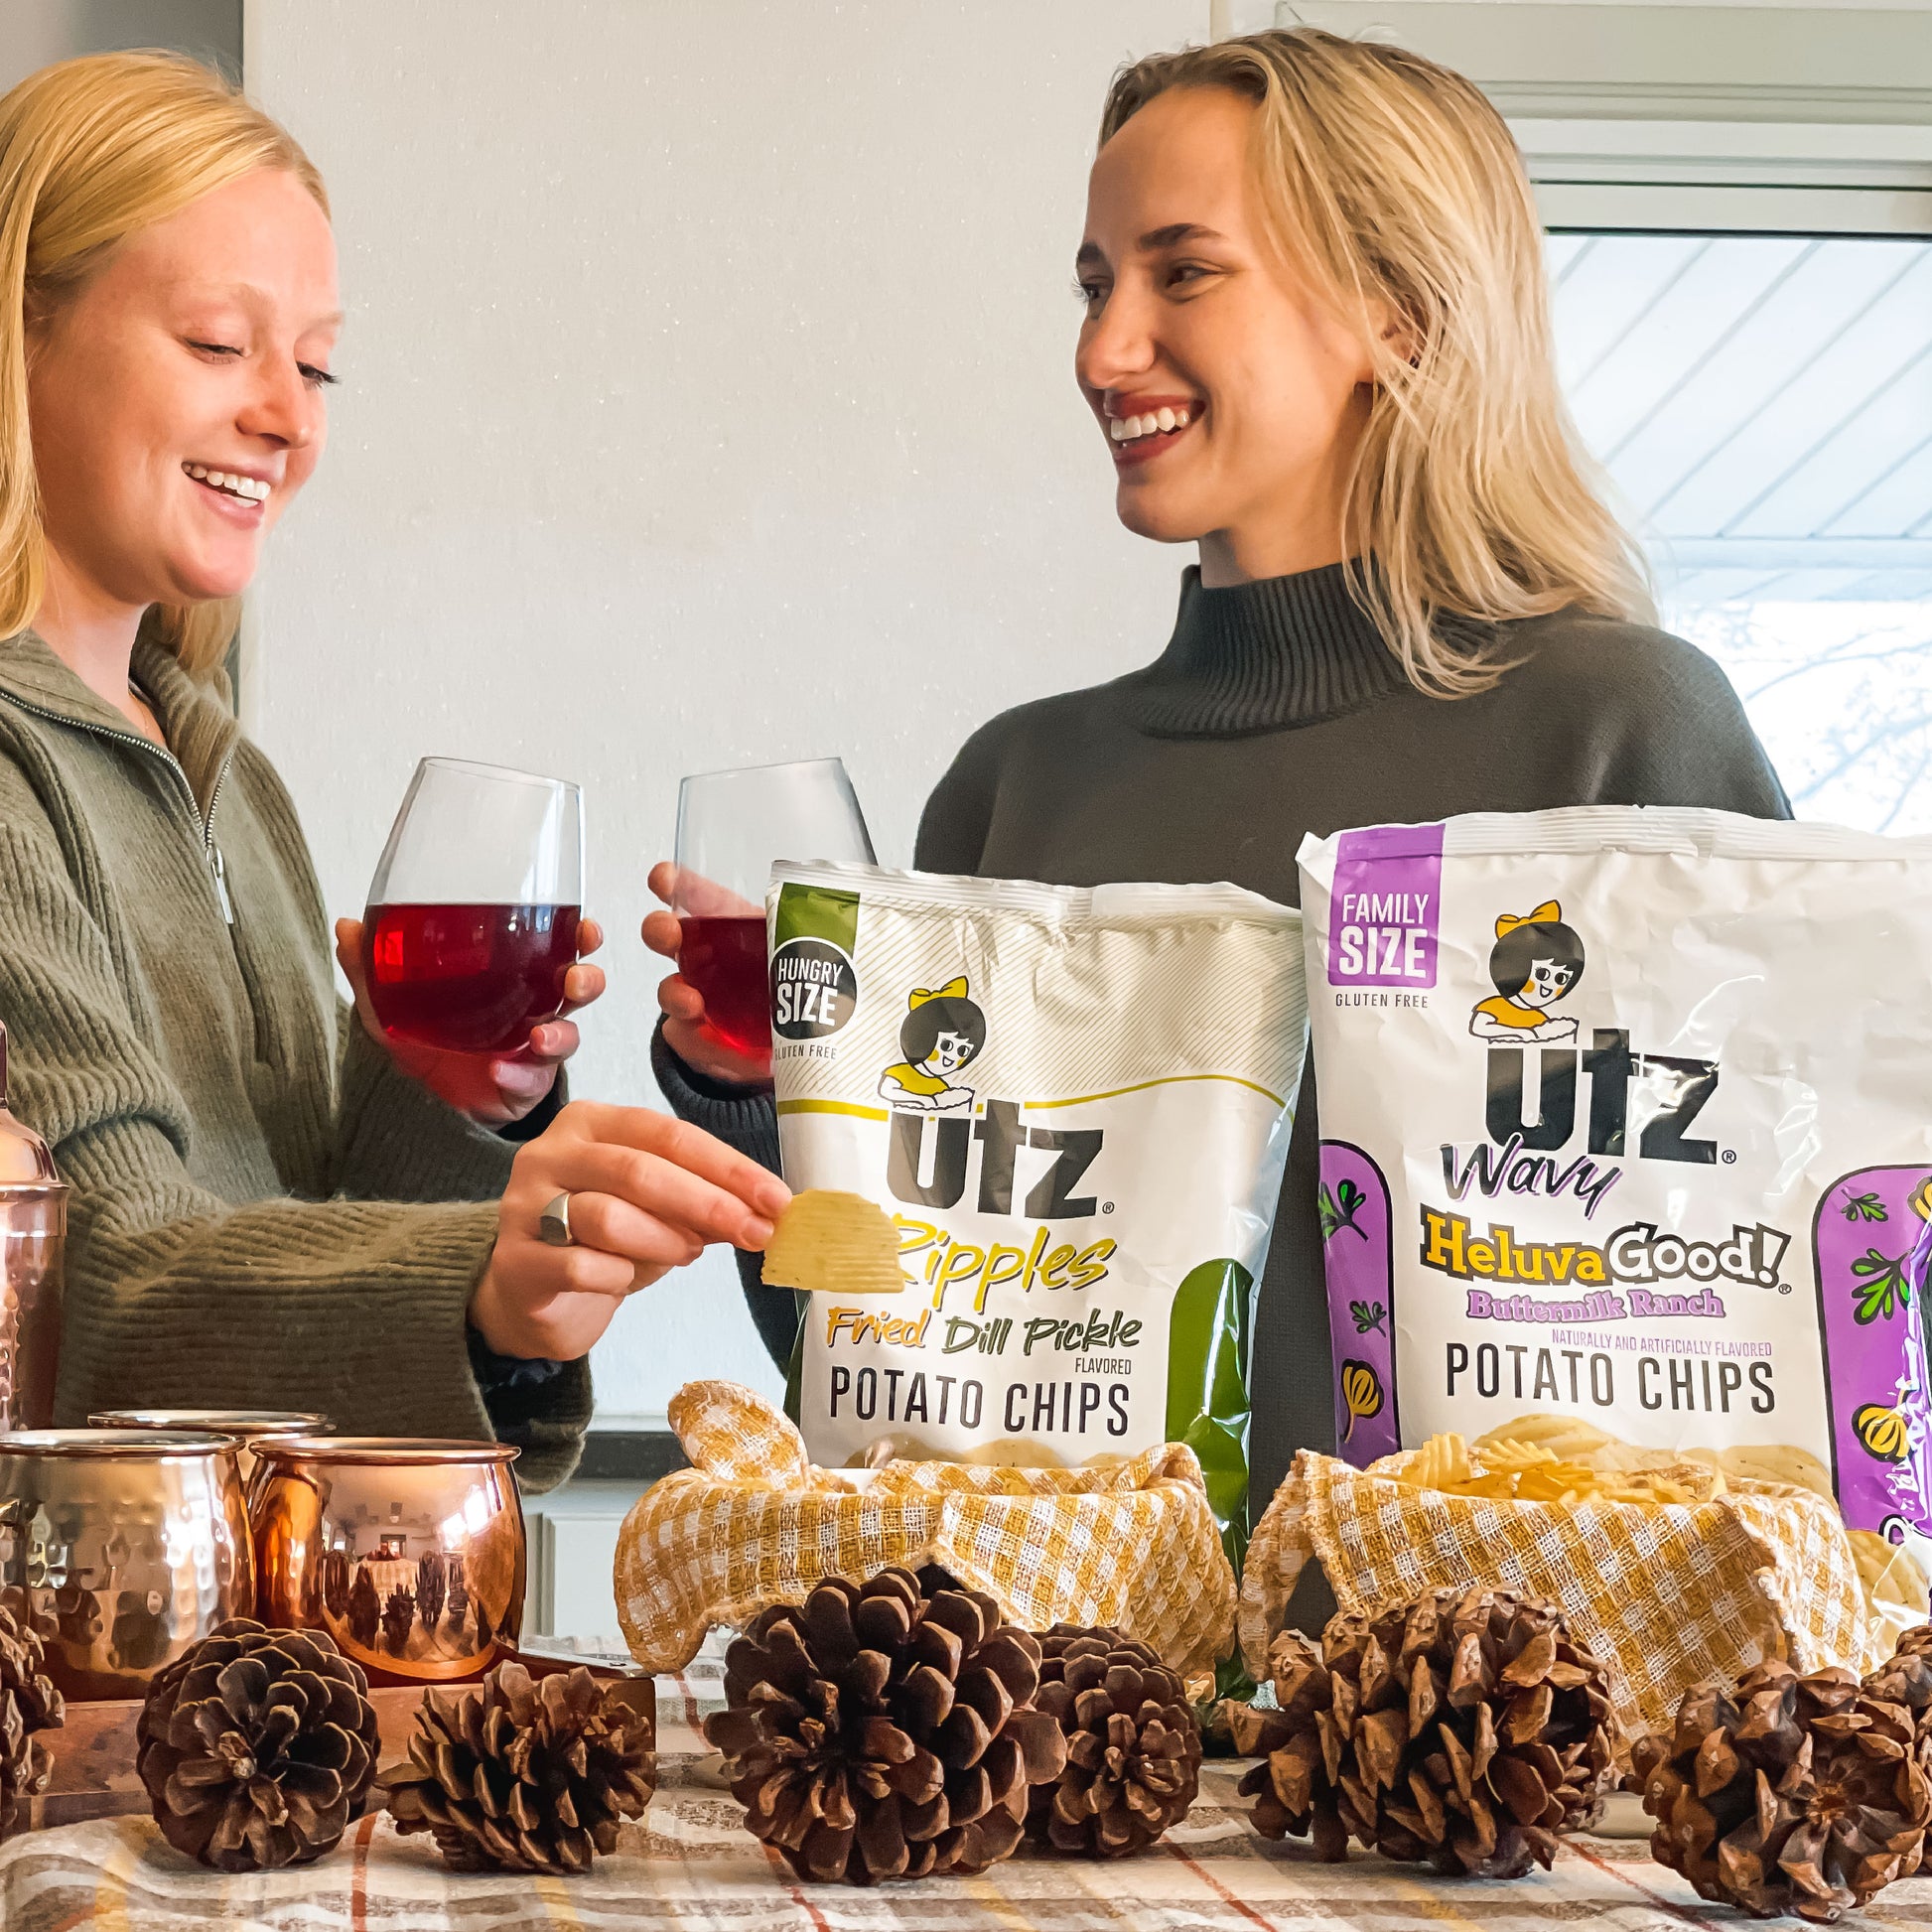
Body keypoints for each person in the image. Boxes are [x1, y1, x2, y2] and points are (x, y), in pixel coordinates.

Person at [643, 28, 1788, 1517]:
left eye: (1180, 273)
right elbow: (896, 1378)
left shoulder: (1620, 728)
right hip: (1081, 1723)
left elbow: (1773, 1321)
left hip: (1507, 1729)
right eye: (1093, 280)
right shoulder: (1014, 785)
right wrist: (752, 1104)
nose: (1102, 349)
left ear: (1405, 317)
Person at [0, 52, 786, 1487]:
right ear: (20, 334)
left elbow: (302, 1220)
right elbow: (93, 1288)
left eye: (313, 364)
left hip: (260, 1630)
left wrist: (445, 1100)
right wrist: (473, 1272)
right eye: (217, 344)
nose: (290, 422)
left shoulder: (227, 772)